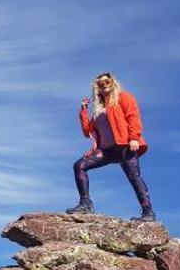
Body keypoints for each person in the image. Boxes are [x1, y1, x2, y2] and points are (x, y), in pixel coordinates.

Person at [65, 72, 156, 221]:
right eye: (100, 84)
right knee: (79, 166)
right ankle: (85, 204)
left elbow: (133, 116)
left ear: (113, 82)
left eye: (107, 81)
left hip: (125, 146)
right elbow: (87, 132)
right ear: (97, 88)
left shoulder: (124, 97)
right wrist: (83, 111)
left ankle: (148, 212)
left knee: (134, 177)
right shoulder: (99, 109)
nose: (104, 85)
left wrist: (134, 138)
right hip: (107, 151)